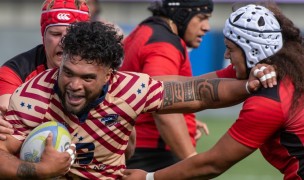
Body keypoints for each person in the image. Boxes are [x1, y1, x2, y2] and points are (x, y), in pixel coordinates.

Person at [0, 20, 273, 179]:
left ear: (110, 75)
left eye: (87, 78)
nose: (73, 85)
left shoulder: (130, 89)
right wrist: (39, 170)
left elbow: (198, 93)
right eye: (67, 73)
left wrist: (250, 85)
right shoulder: (32, 99)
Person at [122, 3, 304, 180]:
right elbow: (193, 87)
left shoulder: (270, 99)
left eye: (230, 48)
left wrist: (148, 177)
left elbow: (214, 163)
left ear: (252, 50)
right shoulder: (286, 70)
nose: (226, 55)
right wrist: (127, 88)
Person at [120, 0, 213, 170]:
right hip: (152, 155)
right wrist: (192, 162)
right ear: (182, 13)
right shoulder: (163, 44)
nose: (206, 26)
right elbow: (163, 106)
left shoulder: (144, 31)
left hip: (139, 149)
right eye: (201, 18)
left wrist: (187, 119)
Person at [0, 0, 90, 139]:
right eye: (55, 34)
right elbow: (6, 113)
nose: (64, 42)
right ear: (43, 37)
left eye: (72, 34)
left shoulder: (100, 69)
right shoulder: (16, 70)